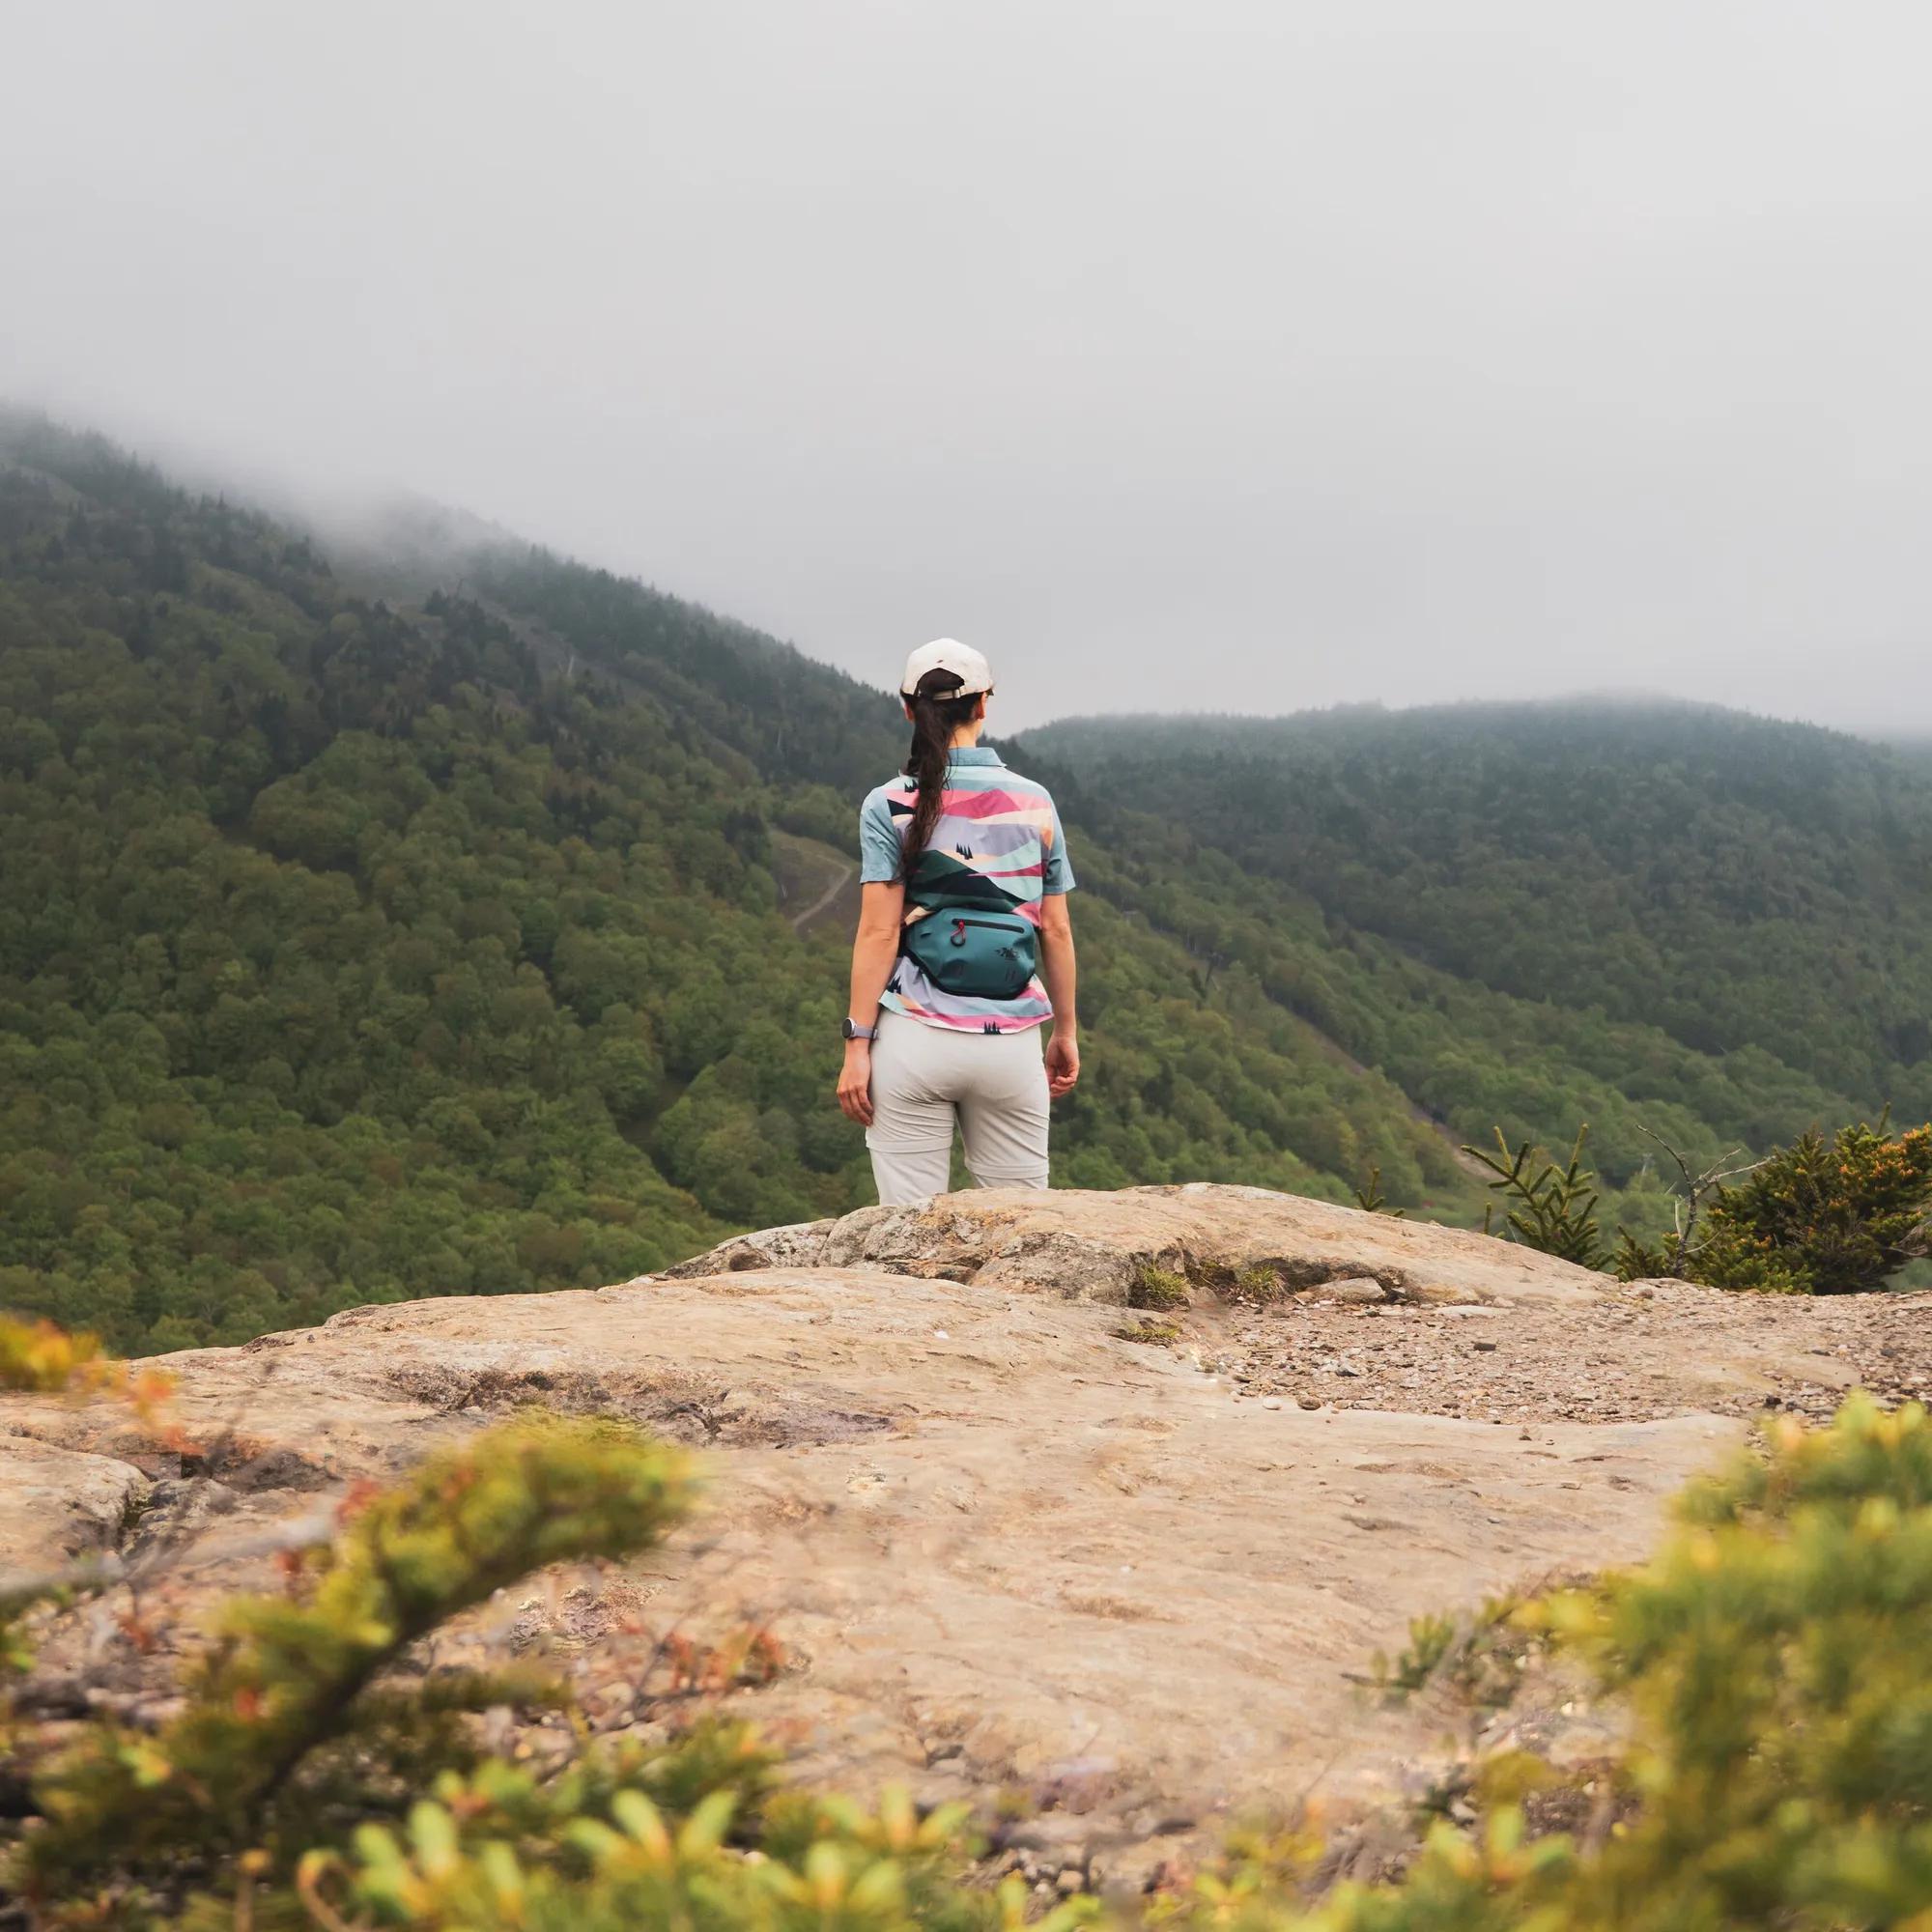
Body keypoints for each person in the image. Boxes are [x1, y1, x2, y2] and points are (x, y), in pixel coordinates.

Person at [835, 639, 1079, 1204]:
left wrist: (856, 1046)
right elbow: (1057, 931)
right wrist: (1063, 1033)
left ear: (907, 709)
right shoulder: (1035, 802)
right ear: (984, 705)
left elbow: (878, 932)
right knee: (1023, 1233)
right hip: (1012, 1046)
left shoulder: (888, 803)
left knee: (906, 1234)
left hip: (914, 1041)